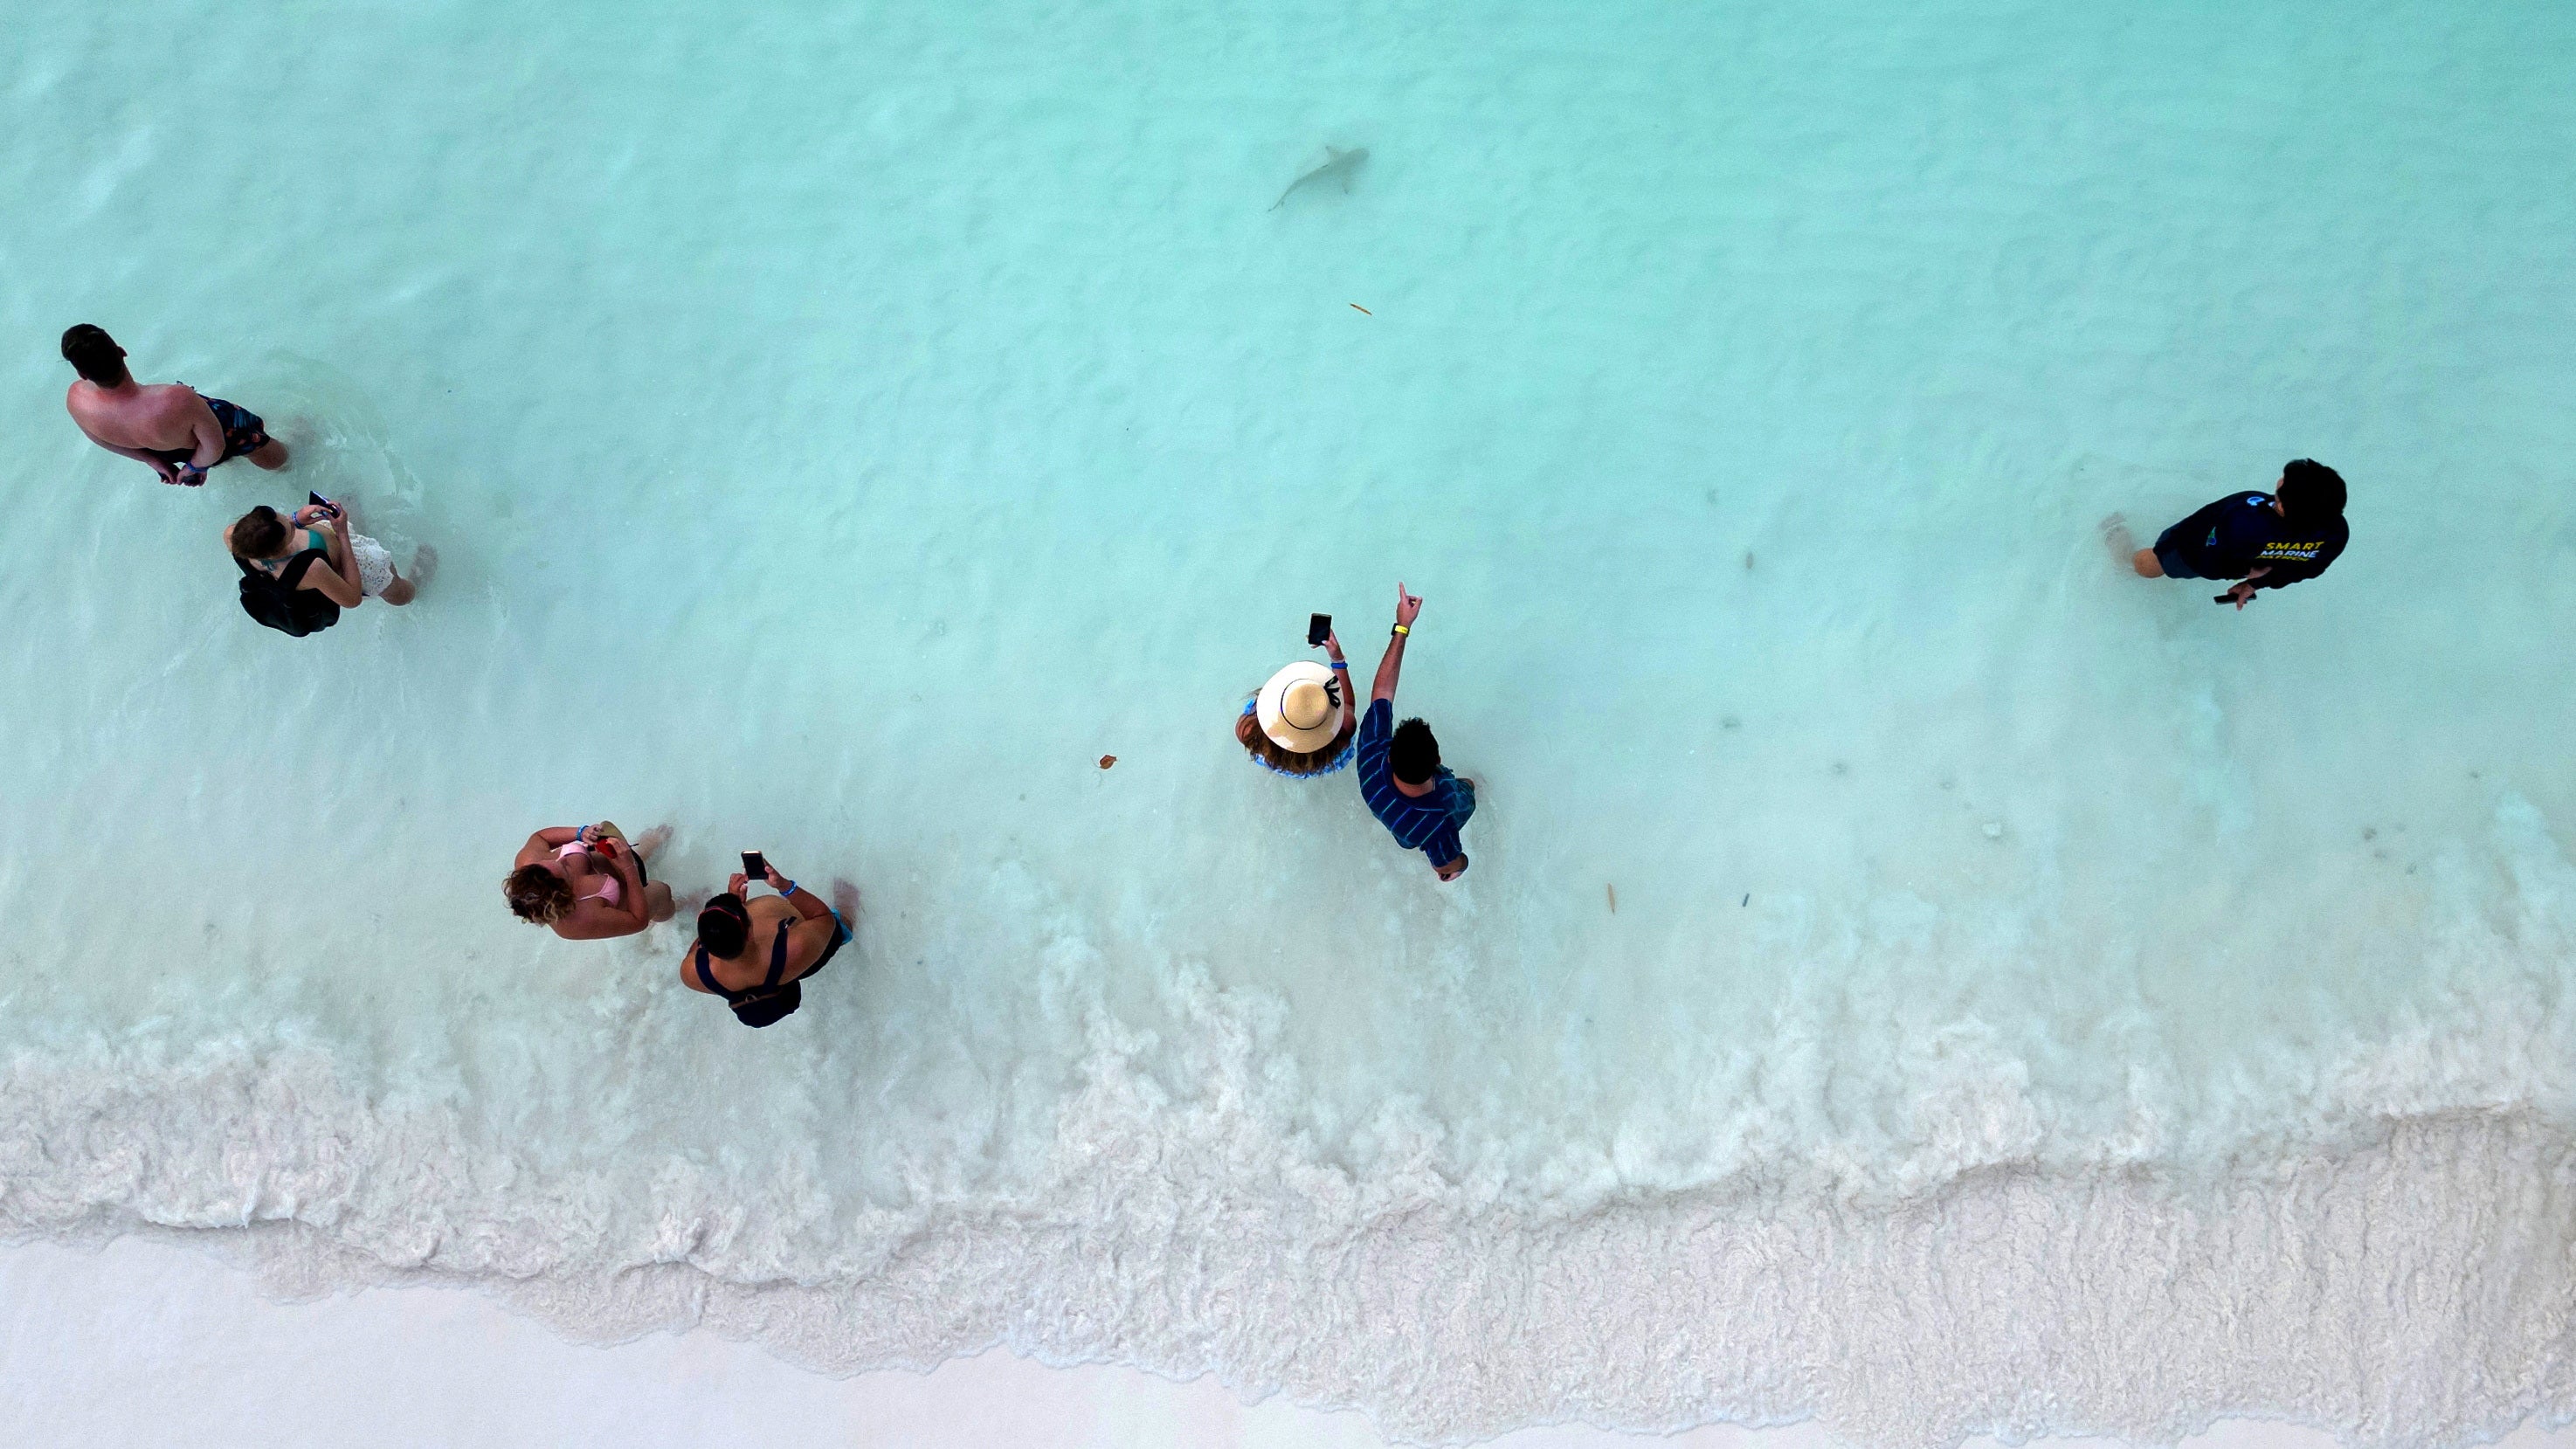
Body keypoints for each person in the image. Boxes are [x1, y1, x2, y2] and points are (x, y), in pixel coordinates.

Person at [60, 324, 289, 485]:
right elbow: (215, 445)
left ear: (82, 374)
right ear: (122, 352)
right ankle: (286, 467)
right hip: (220, 437)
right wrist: (196, 467)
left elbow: (98, 438)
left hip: (169, 452)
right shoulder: (177, 399)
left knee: (218, 453)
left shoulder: (76, 399)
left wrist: (154, 460)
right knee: (261, 447)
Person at [2107, 460, 2350, 611]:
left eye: (2283, 484)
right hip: (2233, 558)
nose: (2281, 479)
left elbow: (2208, 558)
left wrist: (2253, 575)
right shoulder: (2335, 533)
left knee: (2149, 564)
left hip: (2190, 551)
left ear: (2284, 507)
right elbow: (2308, 567)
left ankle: (2122, 551)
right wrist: (2256, 581)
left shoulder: (2243, 521)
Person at [1355, 583, 1475, 881]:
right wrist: (1461, 865)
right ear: (1438, 760)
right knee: (1473, 785)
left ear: (1391, 755)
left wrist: (1402, 627)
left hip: (1401, 823)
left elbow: (1383, 689)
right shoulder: (1442, 819)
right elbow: (1445, 867)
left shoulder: (1371, 754)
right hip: (1431, 815)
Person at [682, 859, 854, 1027]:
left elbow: (702, 944)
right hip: (789, 962)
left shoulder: (692, 973)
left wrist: (733, 900)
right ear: (750, 932)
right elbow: (823, 918)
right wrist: (784, 886)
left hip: (766, 970)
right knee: (839, 927)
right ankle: (847, 905)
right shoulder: (795, 949)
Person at [225, 497, 420, 608]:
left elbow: (274, 531)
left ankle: (357, 529)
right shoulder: (311, 568)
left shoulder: (234, 537)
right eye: (290, 528)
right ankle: (414, 587)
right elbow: (352, 600)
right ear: (282, 548)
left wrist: (296, 520)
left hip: (332, 542)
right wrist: (342, 532)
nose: (289, 520)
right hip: (354, 566)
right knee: (397, 589)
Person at [505, 823, 675, 940]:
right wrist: (629, 870)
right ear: (564, 892)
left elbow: (540, 838)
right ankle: (672, 912)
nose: (560, 859)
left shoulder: (528, 861)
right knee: (664, 893)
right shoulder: (576, 922)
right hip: (627, 897)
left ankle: (641, 856)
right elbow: (638, 921)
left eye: (549, 861)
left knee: (634, 858)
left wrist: (581, 832)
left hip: (617, 862)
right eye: (564, 868)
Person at [1237, 625, 1357, 776]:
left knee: (1286, 763)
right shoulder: (1344, 728)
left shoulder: (1247, 729)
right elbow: (1348, 705)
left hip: (1279, 760)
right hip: (1324, 758)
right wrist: (1337, 659)